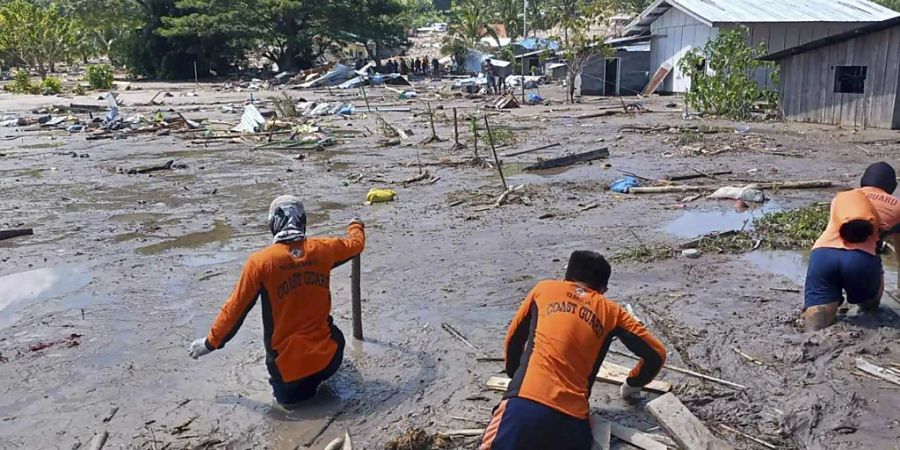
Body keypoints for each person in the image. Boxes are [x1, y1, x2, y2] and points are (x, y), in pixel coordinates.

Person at [187, 195, 366, 407]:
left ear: (273, 224)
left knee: (290, 409)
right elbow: (355, 244)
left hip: (288, 378)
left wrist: (210, 343)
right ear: (302, 221)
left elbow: (234, 310)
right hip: (329, 359)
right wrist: (355, 224)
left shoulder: (260, 263)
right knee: (333, 335)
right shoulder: (323, 249)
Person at [480, 251, 667, 450]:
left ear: (566, 278)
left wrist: (516, 378)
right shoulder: (612, 312)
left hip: (523, 407)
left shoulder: (543, 290)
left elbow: (513, 340)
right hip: (571, 421)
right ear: (603, 289)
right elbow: (656, 354)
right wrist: (632, 384)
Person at [804, 162, 900, 331]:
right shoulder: (897, 206)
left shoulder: (843, 198)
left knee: (819, 309)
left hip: (822, 255)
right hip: (860, 259)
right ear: (892, 186)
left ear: (863, 181)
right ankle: (866, 306)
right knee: (870, 304)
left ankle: (810, 335)